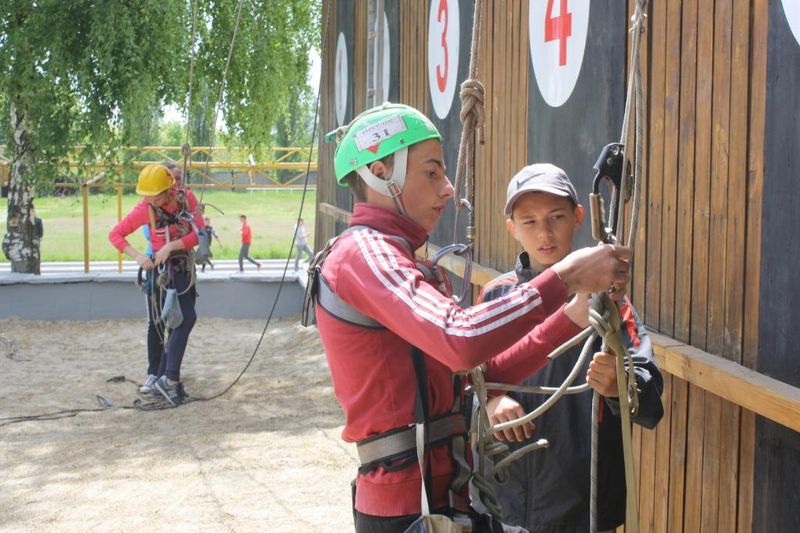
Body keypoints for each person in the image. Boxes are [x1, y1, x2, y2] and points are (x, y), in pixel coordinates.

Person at [311, 103, 632, 532]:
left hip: (438, 498)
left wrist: (572, 316)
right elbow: (461, 341)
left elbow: (480, 374)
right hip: (411, 507)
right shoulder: (364, 253)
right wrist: (567, 275)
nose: (447, 188)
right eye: (431, 172)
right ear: (380, 173)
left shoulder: (397, 260)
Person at [479, 163, 664, 533]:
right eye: (529, 222)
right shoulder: (495, 297)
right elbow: (467, 380)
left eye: (556, 217)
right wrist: (491, 399)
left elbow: (650, 402)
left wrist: (620, 384)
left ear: (579, 217)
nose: (544, 233)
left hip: (584, 511)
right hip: (504, 505)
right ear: (512, 229)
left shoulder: (609, 303)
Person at [109, 164, 205, 407]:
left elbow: (198, 234)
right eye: (146, 196)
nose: (148, 200)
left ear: (168, 190)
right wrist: (139, 256)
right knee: (171, 321)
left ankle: (166, 378)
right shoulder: (145, 209)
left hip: (182, 267)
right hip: (164, 274)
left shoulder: (187, 199)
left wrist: (170, 246)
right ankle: (164, 378)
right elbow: (115, 235)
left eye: (153, 196)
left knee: (180, 321)